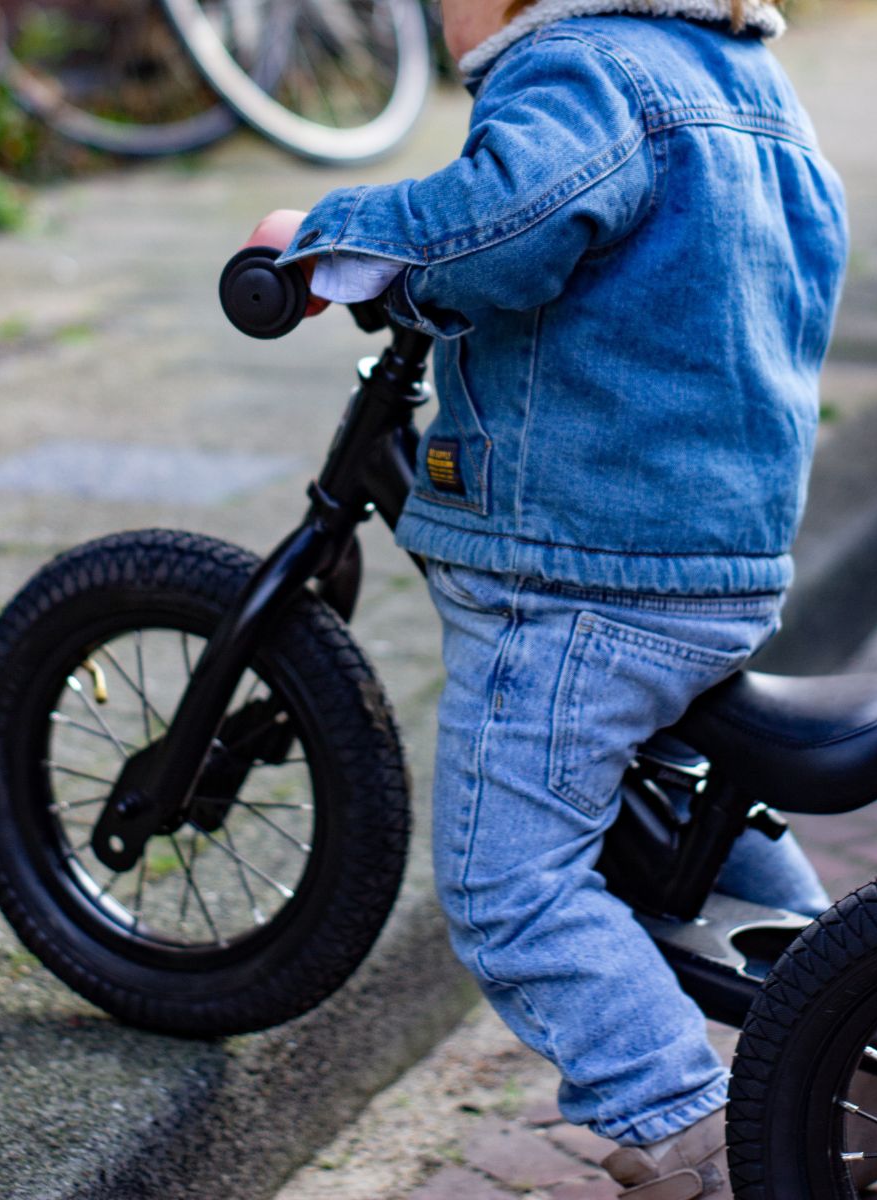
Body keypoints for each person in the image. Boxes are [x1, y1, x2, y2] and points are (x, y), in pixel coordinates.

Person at [246, 2, 846, 1195]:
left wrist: (327, 238)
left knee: (507, 883)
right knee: (703, 823)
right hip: (715, 554)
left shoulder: (576, 66)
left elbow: (503, 225)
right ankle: (857, 1053)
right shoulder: (750, 78)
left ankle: (685, 1124)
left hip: (577, 566)